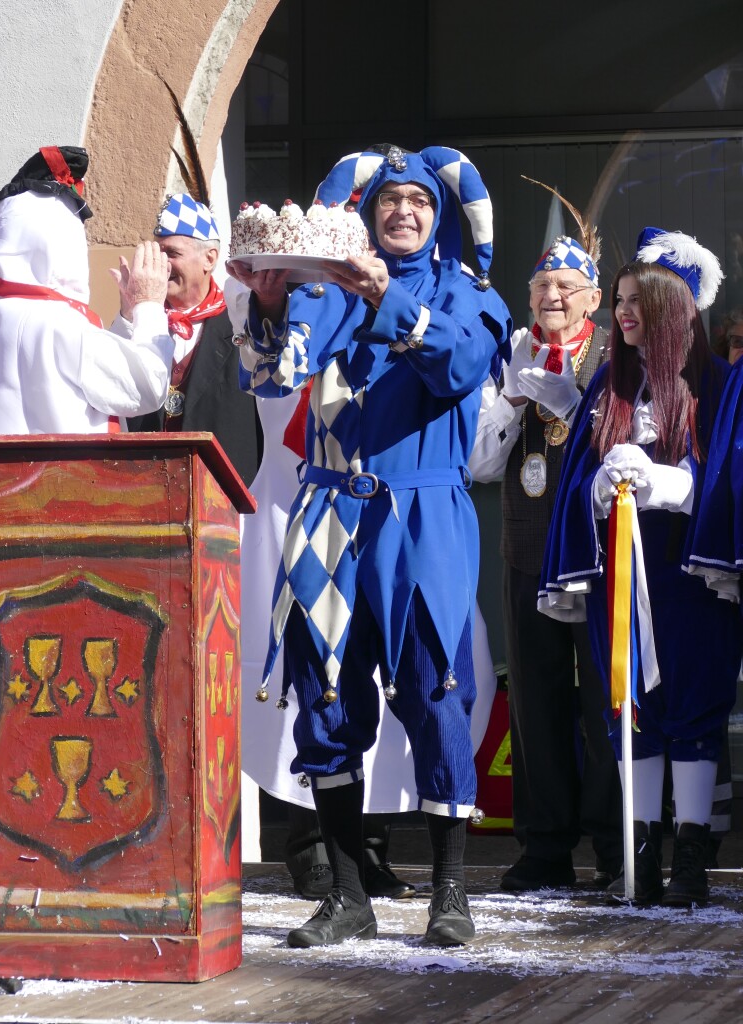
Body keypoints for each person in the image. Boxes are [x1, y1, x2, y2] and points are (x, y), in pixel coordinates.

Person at [228, 144, 511, 947]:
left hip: (426, 514)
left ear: (440, 215)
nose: (403, 212)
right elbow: (277, 377)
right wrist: (275, 305)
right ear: (366, 212)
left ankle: (449, 894)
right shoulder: (326, 289)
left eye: (419, 201)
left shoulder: (469, 293)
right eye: (389, 200)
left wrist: (387, 297)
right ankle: (348, 894)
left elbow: (459, 369)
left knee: (436, 692)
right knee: (325, 697)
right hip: (329, 515)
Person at [539, 227, 741, 906]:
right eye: (618, 300)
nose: (621, 312)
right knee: (632, 707)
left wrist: (671, 485)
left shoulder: (721, 386)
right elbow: (579, 480)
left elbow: (728, 475)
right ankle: (642, 852)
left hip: (688, 575)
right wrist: (601, 488)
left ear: (671, 303)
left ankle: (690, 856)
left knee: (692, 704)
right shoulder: (608, 383)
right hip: (620, 574)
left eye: (633, 299)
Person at [468, 211, 623, 892]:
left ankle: (619, 840)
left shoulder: (618, 355)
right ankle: (546, 845)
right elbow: (479, 463)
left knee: (603, 700)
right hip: (529, 548)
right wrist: (507, 394)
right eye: (540, 288)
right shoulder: (512, 352)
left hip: (598, 553)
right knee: (535, 698)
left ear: (592, 298)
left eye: (565, 285)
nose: (551, 298)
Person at [0, 146, 173, 434]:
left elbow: (82, 384)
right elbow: (146, 386)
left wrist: (128, 320)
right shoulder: (57, 325)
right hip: (61, 479)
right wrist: (149, 304)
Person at [119, 190, 260, 486]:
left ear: (209, 259)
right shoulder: (140, 320)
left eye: (171, 253)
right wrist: (128, 316)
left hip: (222, 500)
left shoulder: (243, 324)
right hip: (145, 493)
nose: (162, 265)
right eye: (157, 254)